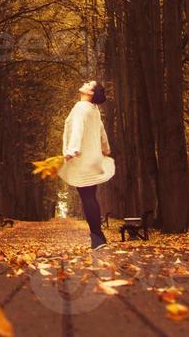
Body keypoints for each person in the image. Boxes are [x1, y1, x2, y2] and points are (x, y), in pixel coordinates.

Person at [60, 80, 114, 250]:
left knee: (88, 197)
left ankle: (98, 238)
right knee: (91, 196)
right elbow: (101, 131)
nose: (84, 83)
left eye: (89, 83)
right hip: (93, 158)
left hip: (82, 159)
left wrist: (72, 148)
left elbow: (77, 128)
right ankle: (98, 237)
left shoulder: (81, 108)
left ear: (91, 92)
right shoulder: (93, 110)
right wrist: (105, 148)